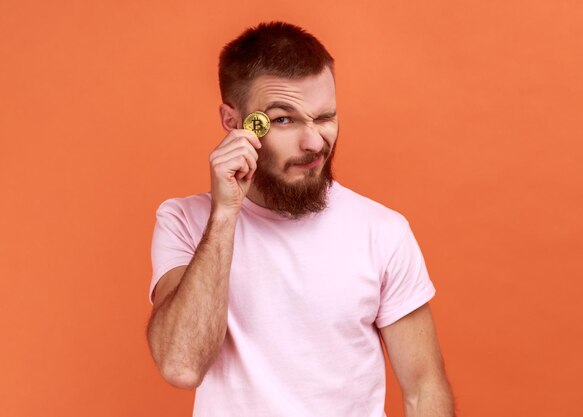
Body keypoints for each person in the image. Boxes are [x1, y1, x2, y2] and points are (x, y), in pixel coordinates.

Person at [146, 21, 455, 417]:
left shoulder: (382, 232)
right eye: (283, 120)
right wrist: (225, 214)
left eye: (325, 117)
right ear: (233, 121)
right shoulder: (185, 222)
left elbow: (424, 389)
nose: (314, 143)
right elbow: (181, 365)